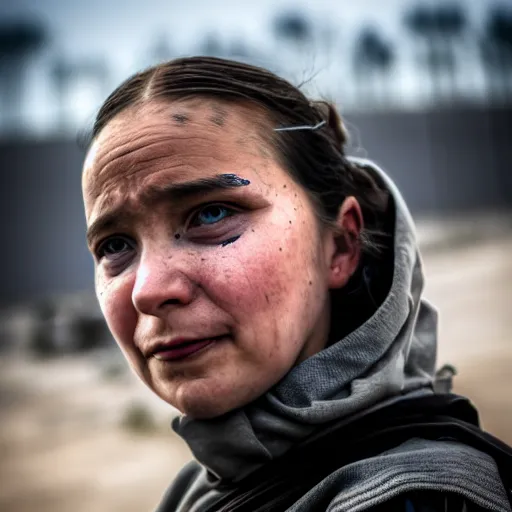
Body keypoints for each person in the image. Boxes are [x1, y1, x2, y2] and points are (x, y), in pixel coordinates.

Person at [81, 56, 512, 511]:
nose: (148, 290)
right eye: (114, 246)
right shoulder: (198, 489)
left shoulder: (415, 499)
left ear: (340, 246)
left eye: (212, 213)